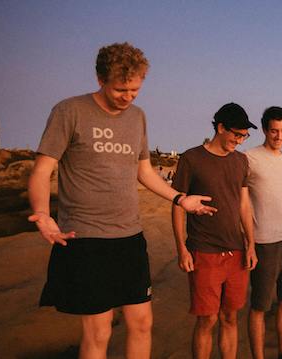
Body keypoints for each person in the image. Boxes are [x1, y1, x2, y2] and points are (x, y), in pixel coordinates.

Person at [28, 42, 215, 359]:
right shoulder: (69, 111)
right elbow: (42, 170)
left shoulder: (137, 117)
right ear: (100, 79)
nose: (128, 97)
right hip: (86, 238)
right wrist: (43, 214)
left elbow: (144, 171)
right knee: (99, 330)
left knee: (142, 324)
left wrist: (180, 198)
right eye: (120, 90)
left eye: (135, 90)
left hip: (129, 237)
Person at [171, 103, 258, 359]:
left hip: (237, 252)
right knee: (207, 320)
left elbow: (244, 204)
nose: (240, 141)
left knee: (230, 317)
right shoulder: (191, 158)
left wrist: (250, 244)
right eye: (236, 134)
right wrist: (182, 249)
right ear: (220, 127)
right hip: (204, 251)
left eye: (244, 136)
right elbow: (177, 205)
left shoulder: (241, 161)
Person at [246, 106, 282, 359]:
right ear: (265, 130)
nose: (279, 136)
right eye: (273, 131)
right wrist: (248, 240)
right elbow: (240, 200)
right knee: (260, 306)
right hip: (265, 241)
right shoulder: (250, 157)